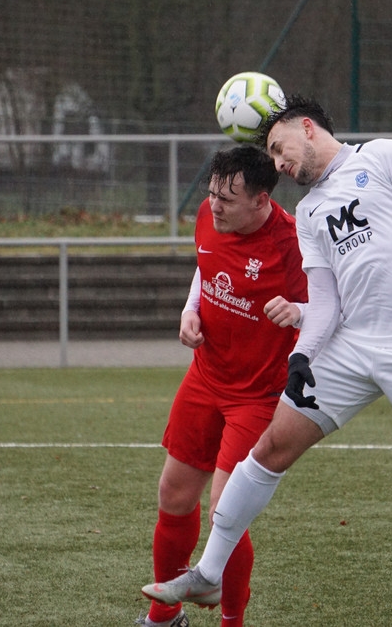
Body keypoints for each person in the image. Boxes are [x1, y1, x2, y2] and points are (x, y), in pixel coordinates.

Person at [142, 96, 392, 627]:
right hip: (349, 346)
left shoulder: (386, 156)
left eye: (279, 149)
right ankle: (209, 574)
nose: (278, 163)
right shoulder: (308, 212)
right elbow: (324, 301)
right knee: (269, 449)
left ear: (307, 128)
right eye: (272, 156)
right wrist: (303, 356)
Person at [137, 145, 308, 627]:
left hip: (257, 394)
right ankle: (164, 616)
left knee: (224, 513)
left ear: (261, 200)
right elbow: (205, 264)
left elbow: (329, 310)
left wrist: (299, 317)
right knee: (173, 494)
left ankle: (232, 621)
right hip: (204, 377)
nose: (214, 206)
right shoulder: (210, 216)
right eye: (212, 193)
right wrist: (191, 310)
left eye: (227, 200)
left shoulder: (294, 244)